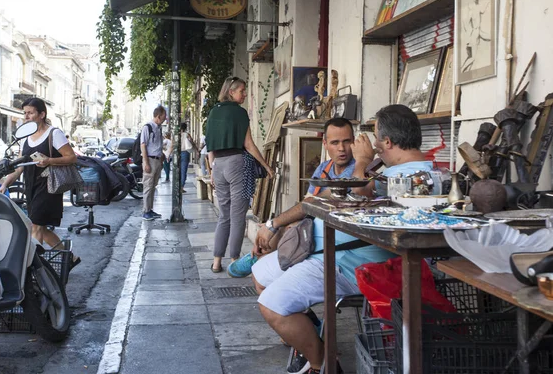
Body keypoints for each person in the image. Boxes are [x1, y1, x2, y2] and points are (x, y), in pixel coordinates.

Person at [249, 104, 433, 374]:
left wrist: (361, 163)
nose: (373, 147)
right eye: (336, 142)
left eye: (377, 139)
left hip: (347, 261)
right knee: (260, 273)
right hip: (326, 251)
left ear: (388, 141)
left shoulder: (402, 178)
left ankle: (320, 363)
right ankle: (309, 341)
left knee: (272, 305)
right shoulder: (391, 172)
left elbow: (357, 203)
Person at [206, 76, 275, 273]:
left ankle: (217, 262)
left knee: (224, 216)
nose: (245, 94)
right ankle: (235, 261)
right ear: (231, 92)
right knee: (238, 217)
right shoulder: (240, 113)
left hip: (218, 165)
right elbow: (249, 145)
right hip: (237, 164)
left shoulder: (213, 112)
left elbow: (210, 145)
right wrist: (266, 166)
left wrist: (212, 171)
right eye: (242, 91)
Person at [0, 97, 78, 256]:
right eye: (25, 113)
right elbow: (20, 166)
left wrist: (49, 160)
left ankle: (35, 268)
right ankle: (71, 258)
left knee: (36, 226)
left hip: (49, 185)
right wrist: (5, 184)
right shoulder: (25, 137)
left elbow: (71, 157)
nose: (26, 116)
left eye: (30, 113)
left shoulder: (54, 134)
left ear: (41, 114)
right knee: (38, 226)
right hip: (31, 185)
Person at [141, 106, 167, 221]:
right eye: (164, 116)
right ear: (158, 116)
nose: (165, 119)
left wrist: (162, 155)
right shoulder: (148, 127)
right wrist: (146, 163)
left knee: (153, 186)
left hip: (157, 159)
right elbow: (143, 145)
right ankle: (146, 211)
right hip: (150, 160)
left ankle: (150, 209)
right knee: (148, 186)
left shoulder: (159, 128)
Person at [180, 123, 198, 193]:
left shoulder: (176, 135)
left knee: (178, 171)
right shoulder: (187, 135)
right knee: (183, 170)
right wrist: (196, 150)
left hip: (177, 154)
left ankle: (178, 186)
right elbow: (192, 142)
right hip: (185, 153)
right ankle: (181, 187)